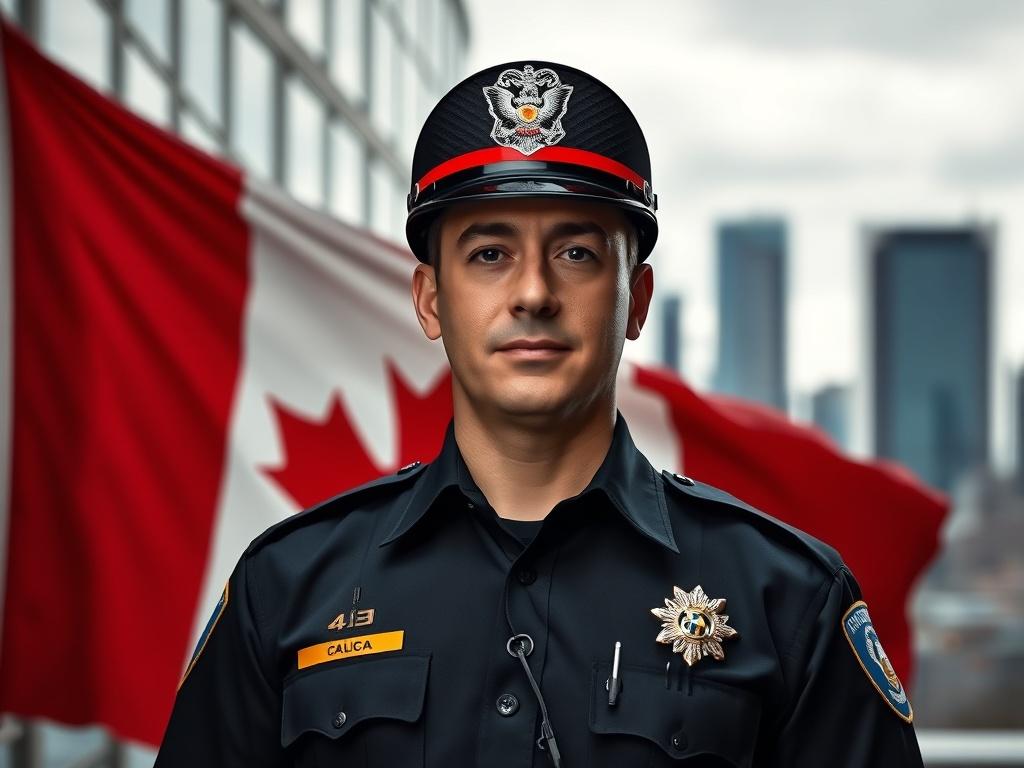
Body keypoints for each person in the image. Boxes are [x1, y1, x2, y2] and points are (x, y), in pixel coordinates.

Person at [155, 60, 924, 767]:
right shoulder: (287, 586)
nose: (532, 293)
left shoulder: (784, 599)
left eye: (577, 254)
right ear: (430, 299)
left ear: (637, 301)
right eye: (489, 253)